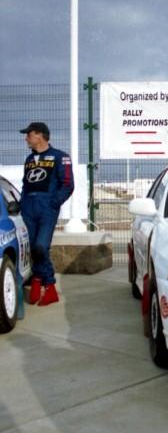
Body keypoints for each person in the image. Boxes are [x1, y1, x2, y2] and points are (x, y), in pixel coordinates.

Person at [20, 122, 74, 306]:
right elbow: (25, 185)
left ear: (40, 135)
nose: (26, 137)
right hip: (28, 208)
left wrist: (53, 203)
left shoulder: (61, 157)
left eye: (29, 134)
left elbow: (67, 184)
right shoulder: (29, 159)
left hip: (46, 208)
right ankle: (37, 282)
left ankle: (48, 283)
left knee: (41, 247)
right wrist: (22, 204)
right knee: (32, 248)